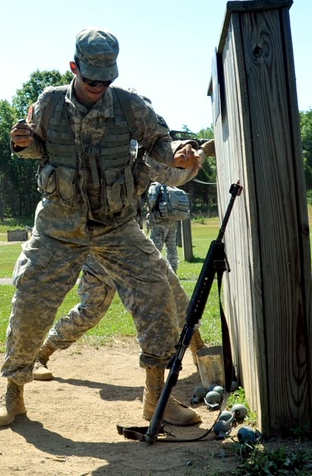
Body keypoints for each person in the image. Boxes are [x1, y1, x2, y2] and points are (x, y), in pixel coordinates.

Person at [0, 28, 202, 429]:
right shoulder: (50, 102)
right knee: (30, 299)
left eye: (107, 81)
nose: (100, 88)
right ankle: (13, 394)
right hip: (59, 225)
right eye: (91, 81)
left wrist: (177, 152)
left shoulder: (129, 105)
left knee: (158, 295)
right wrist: (21, 142)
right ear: (74, 68)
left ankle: (158, 399)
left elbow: (158, 141)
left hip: (116, 224)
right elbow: (36, 147)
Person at [32, 149, 210, 382]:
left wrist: (198, 154)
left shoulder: (134, 150)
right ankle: (41, 353)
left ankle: (198, 349)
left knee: (170, 286)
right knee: (91, 310)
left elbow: (170, 171)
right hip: (97, 246)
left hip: (130, 241)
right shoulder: (84, 151)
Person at [147, 182, 186, 272]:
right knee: (172, 248)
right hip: (172, 221)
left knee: (156, 248)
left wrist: (148, 211)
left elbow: (151, 201)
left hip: (159, 222)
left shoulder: (155, 186)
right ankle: (173, 271)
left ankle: (154, 271)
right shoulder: (171, 185)